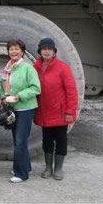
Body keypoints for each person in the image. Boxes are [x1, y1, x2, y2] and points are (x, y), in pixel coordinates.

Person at [33, 37, 78, 180]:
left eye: (49, 49)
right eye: (44, 49)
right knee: (47, 140)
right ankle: (47, 168)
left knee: (61, 140)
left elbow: (71, 91)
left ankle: (58, 169)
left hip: (60, 112)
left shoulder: (63, 67)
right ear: (40, 51)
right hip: (44, 111)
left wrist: (70, 111)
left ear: (54, 51)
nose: (46, 51)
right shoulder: (35, 67)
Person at [0, 39, 41, 183]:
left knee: (20, 141)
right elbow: (3, 86)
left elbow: (36, 88)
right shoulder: (8, 67)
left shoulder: (28, 68)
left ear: (22, 51)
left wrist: (19, 96)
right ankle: (25, 167)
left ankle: (21, 173)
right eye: (11, 49)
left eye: (17, 49)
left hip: (25, 108)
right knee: (18, 140)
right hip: (13, 108)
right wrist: (4, 97)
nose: (14, 51)